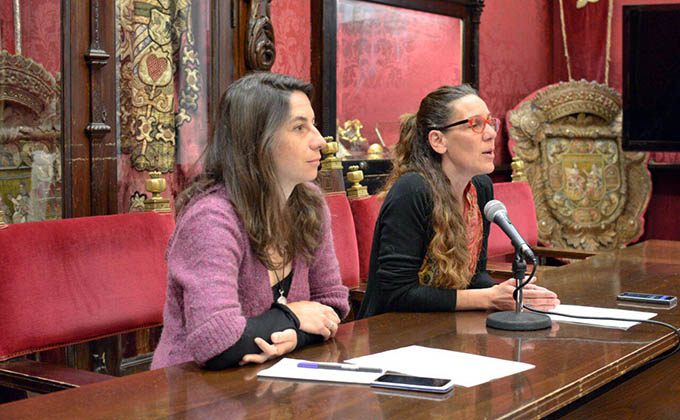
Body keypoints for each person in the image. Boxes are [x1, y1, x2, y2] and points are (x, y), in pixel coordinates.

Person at [151, 72, 349, 370]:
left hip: (275, 382)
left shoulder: (309, 204)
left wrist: (294, 338)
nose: (319, 140)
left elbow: (332, 306)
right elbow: (216, 344)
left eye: (314, 125)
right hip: (196, 391)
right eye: (299, 127)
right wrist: (292, 319)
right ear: (258, 140)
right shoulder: (211, 219)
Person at [357, 84, 559, 319]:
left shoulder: (480, 187)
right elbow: (396, 293)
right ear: (438, 140)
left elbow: (475, 276)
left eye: (490, 122)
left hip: (447, 326)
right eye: (475, 124)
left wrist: (509, 293)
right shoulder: (412, 190)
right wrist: (488, 297)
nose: (491, 134)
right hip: (394, 334)